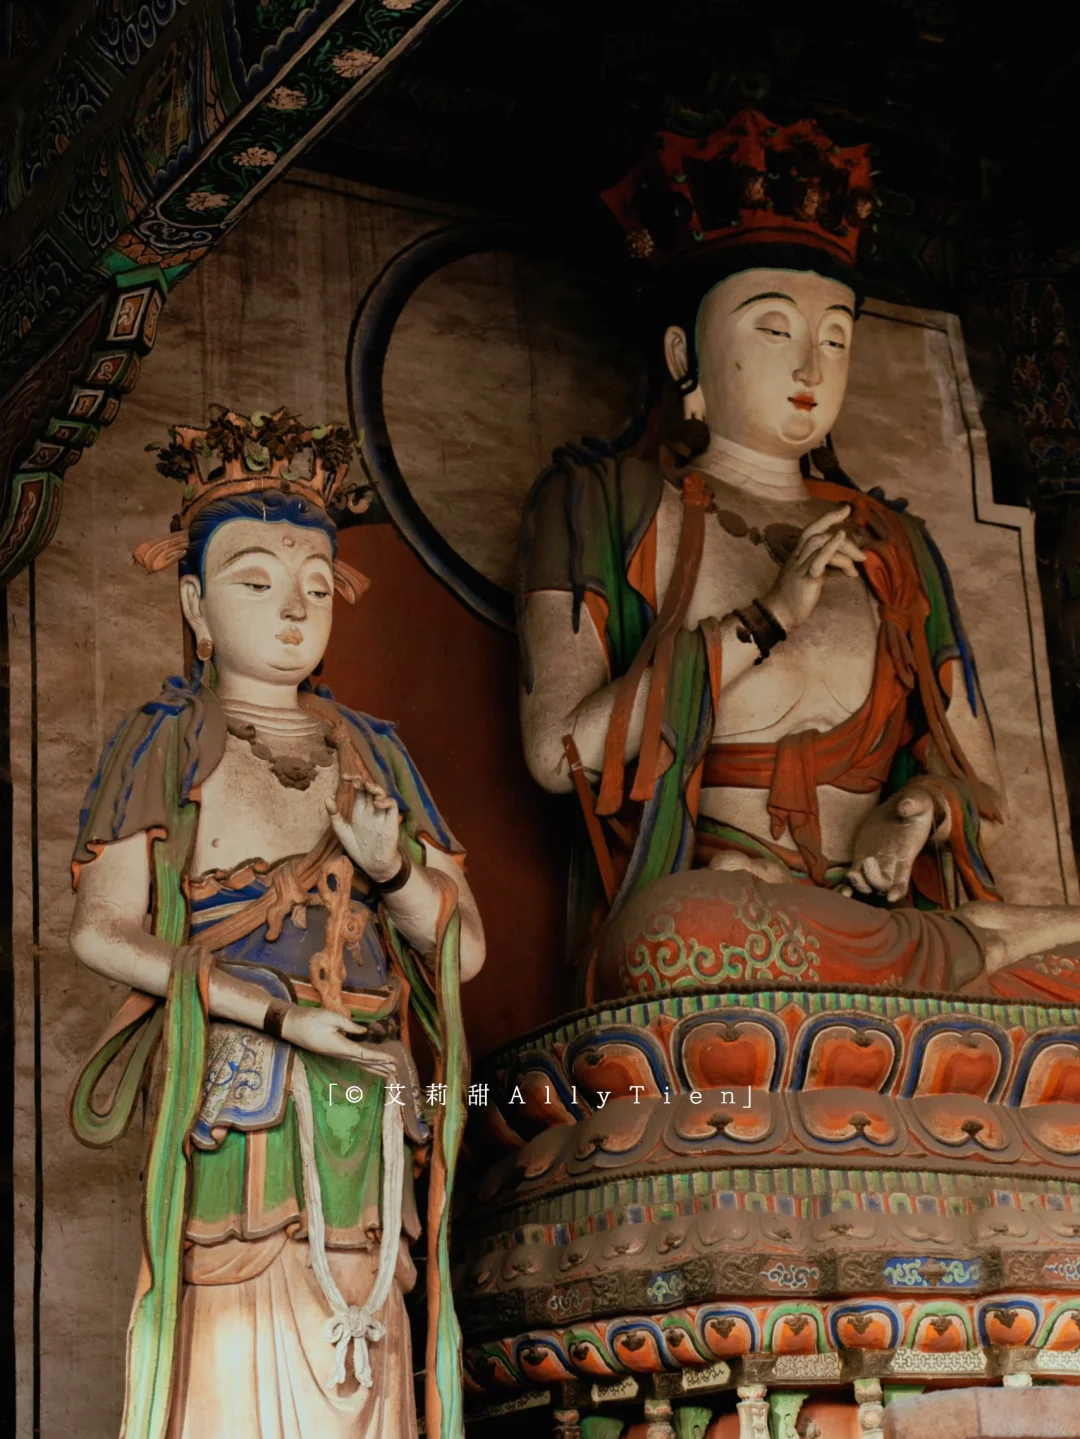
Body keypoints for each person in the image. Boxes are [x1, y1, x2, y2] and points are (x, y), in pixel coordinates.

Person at [517, 109, 1080, 1006]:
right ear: (684, 353)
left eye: (837, 337)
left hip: (865, 912)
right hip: (730, 908)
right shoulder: (603, 502)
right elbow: (560, 755)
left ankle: (933, 958)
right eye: (775, 330)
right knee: (678, 938)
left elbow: (983, 786)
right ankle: (954, 961)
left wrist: (912, 813)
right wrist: (767, 618)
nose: (812, 366)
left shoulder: (897, 543)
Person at [67, 407, 484, 1439]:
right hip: (242, 1089)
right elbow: (102, 930)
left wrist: (391, 870)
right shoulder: (164, 740)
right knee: (240, 1335)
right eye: (255, 581)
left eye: (316, 585)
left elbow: (463, 946)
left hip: (369, 1092)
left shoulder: (376, 750)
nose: (294, 608)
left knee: (367, 1334)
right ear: (196, 603)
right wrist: (275, 1014)